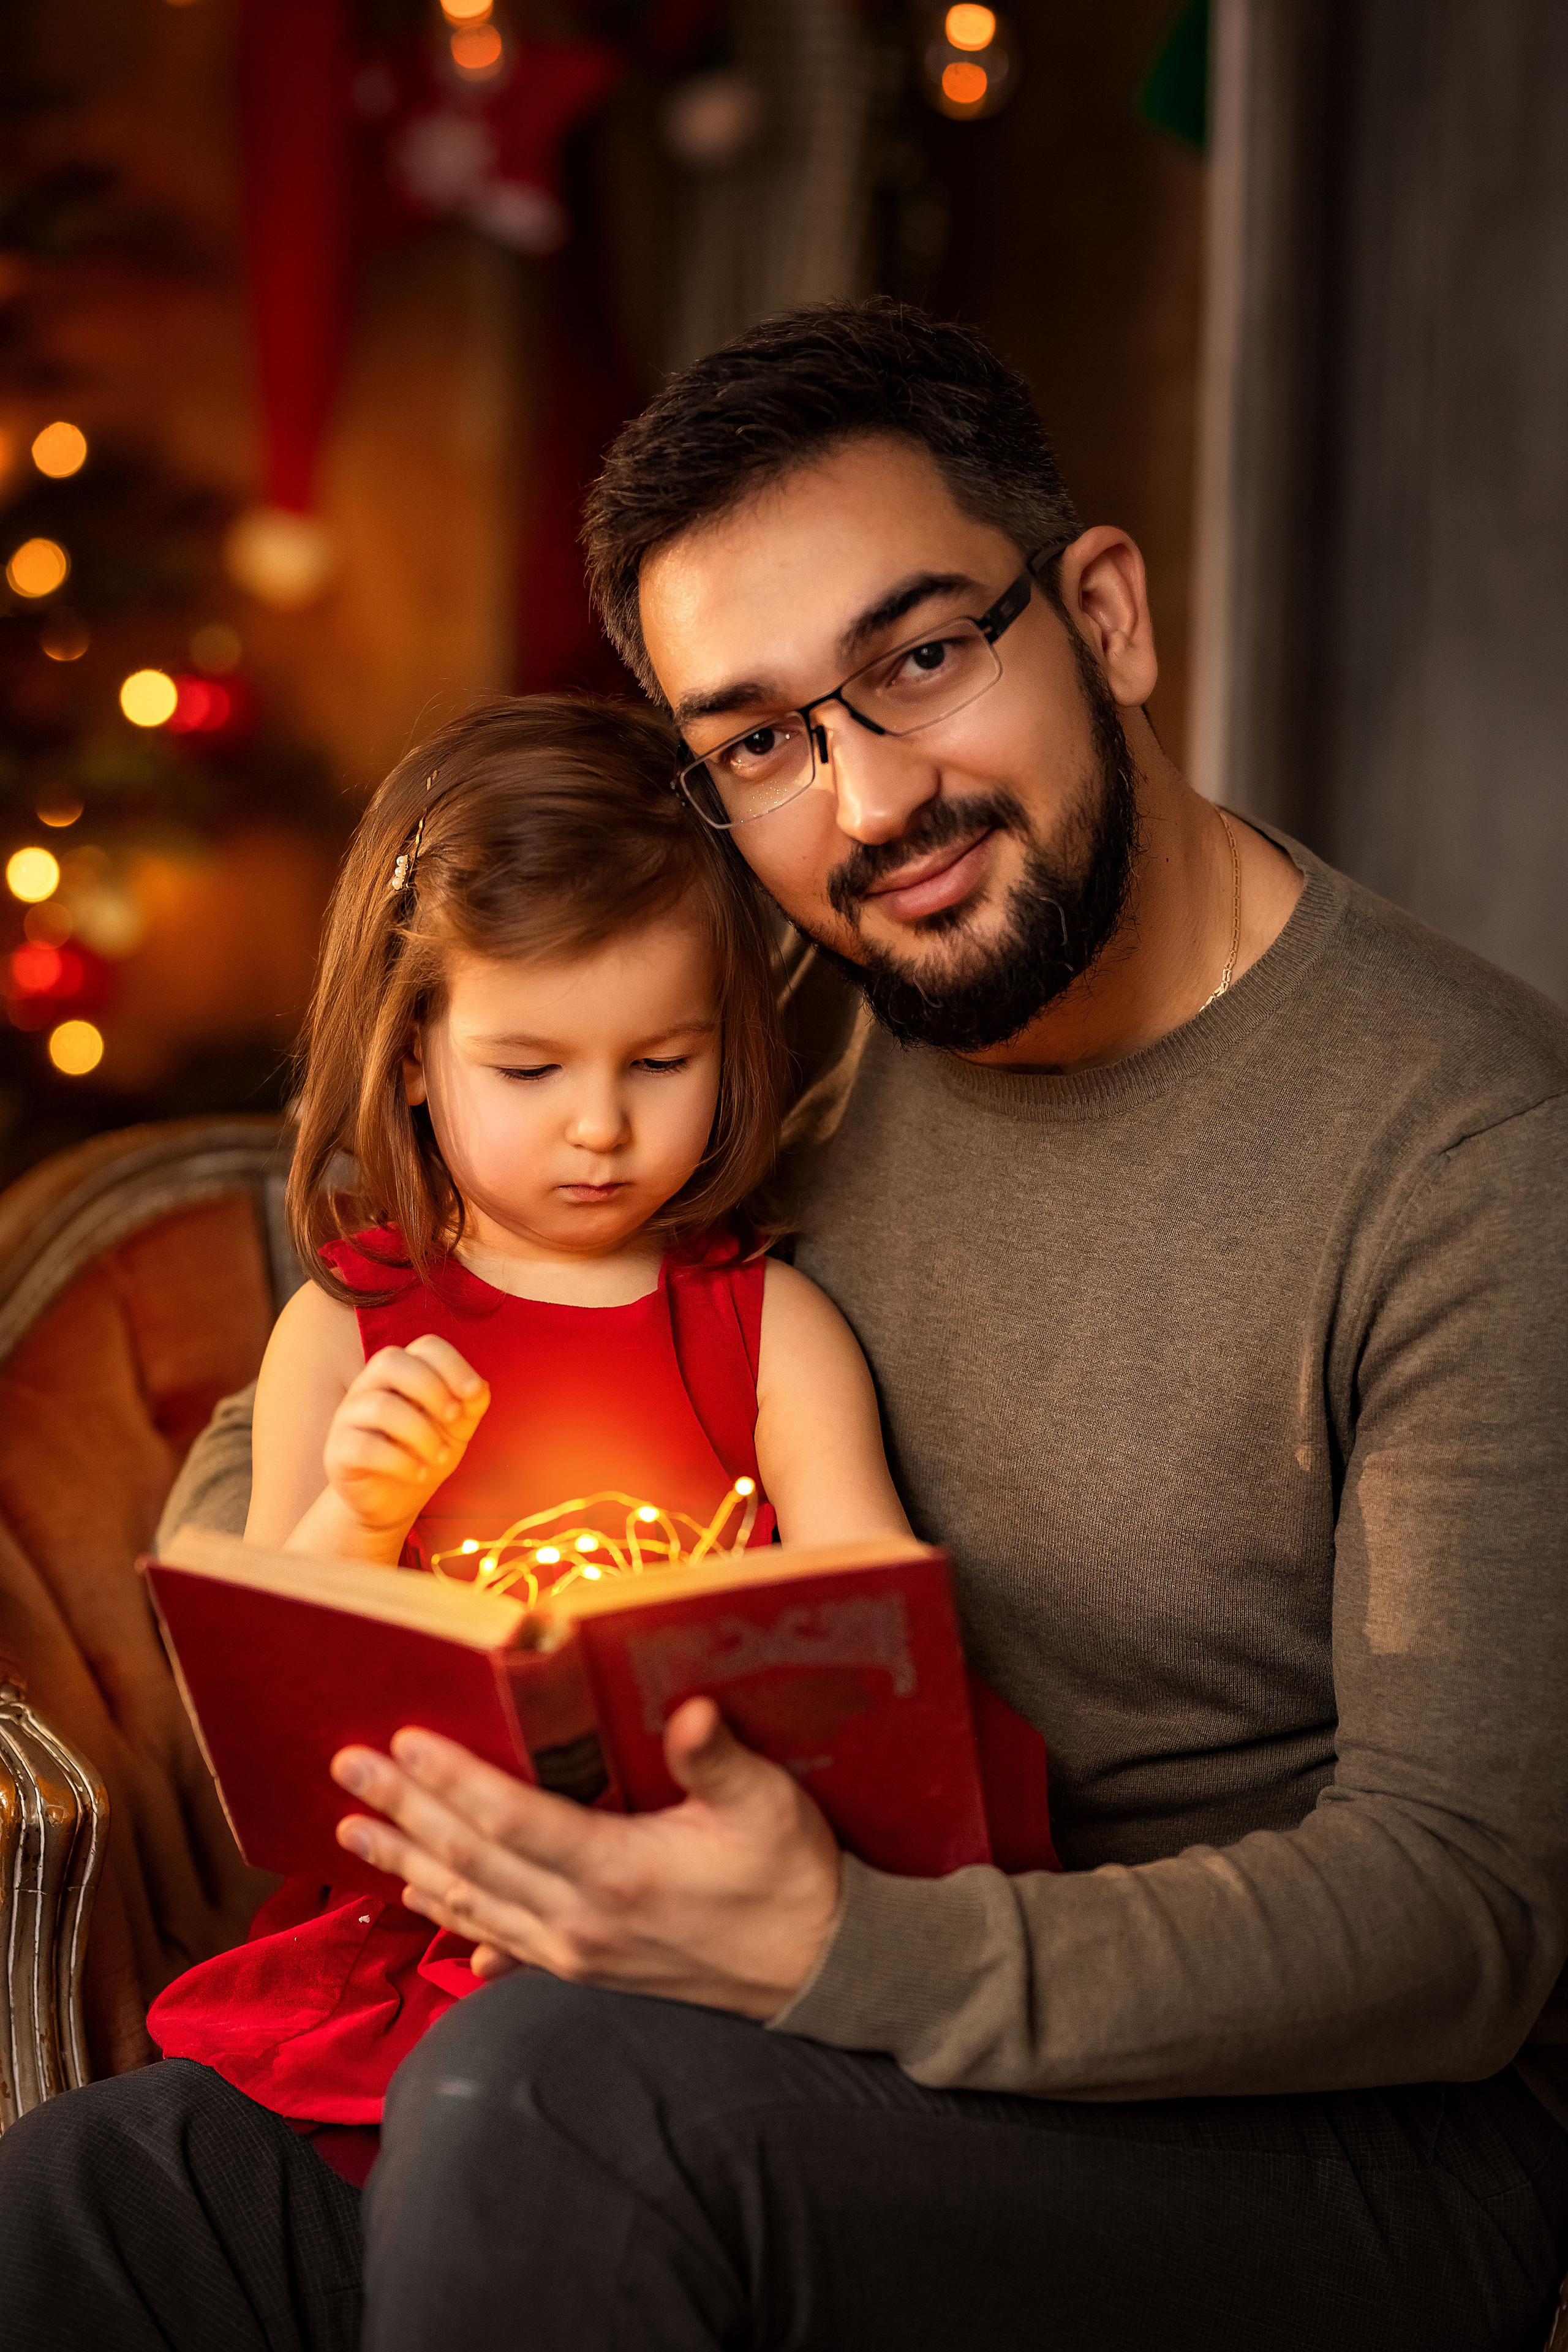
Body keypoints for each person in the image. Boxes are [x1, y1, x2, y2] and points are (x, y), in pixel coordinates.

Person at [2, 300, 1565, 2352]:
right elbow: (398, 1331)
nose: (867, 801)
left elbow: (1461, 1919)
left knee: (545, 2105)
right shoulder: (781, 1027)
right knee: (90, 2208)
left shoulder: (1470, 1147)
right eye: (758, 740)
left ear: (1104, 615)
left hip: (1307, 2139)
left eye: (921, 658)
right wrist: (333, 1542)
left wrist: (847, 1952)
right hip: (745, 2017)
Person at [137, 693, 911, 2182]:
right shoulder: (346, 1336)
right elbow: (279, 1734)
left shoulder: (769, 1333)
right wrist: (359, 1513)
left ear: (730, 1044)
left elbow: (877, 1640)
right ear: (415, 1054)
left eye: (659, 1062)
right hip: (416, 1936)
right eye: (531, 1068)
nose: (600, 1130)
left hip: (698, 1933)